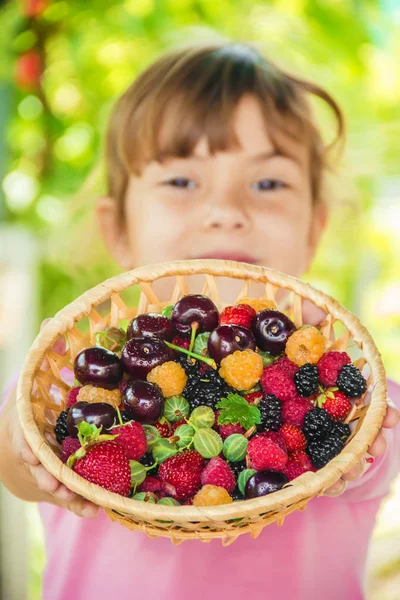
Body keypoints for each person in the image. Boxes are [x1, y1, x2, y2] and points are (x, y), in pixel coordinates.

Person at [0, 41, 399, 600]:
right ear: (118, 230)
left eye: (268, 183)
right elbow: (14, 462)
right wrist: (27, 452)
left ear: (315, 229)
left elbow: (383, 453)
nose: (227, 212)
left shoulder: (350, 389)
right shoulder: (73, 377)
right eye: (182, 181)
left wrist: (354, 450)